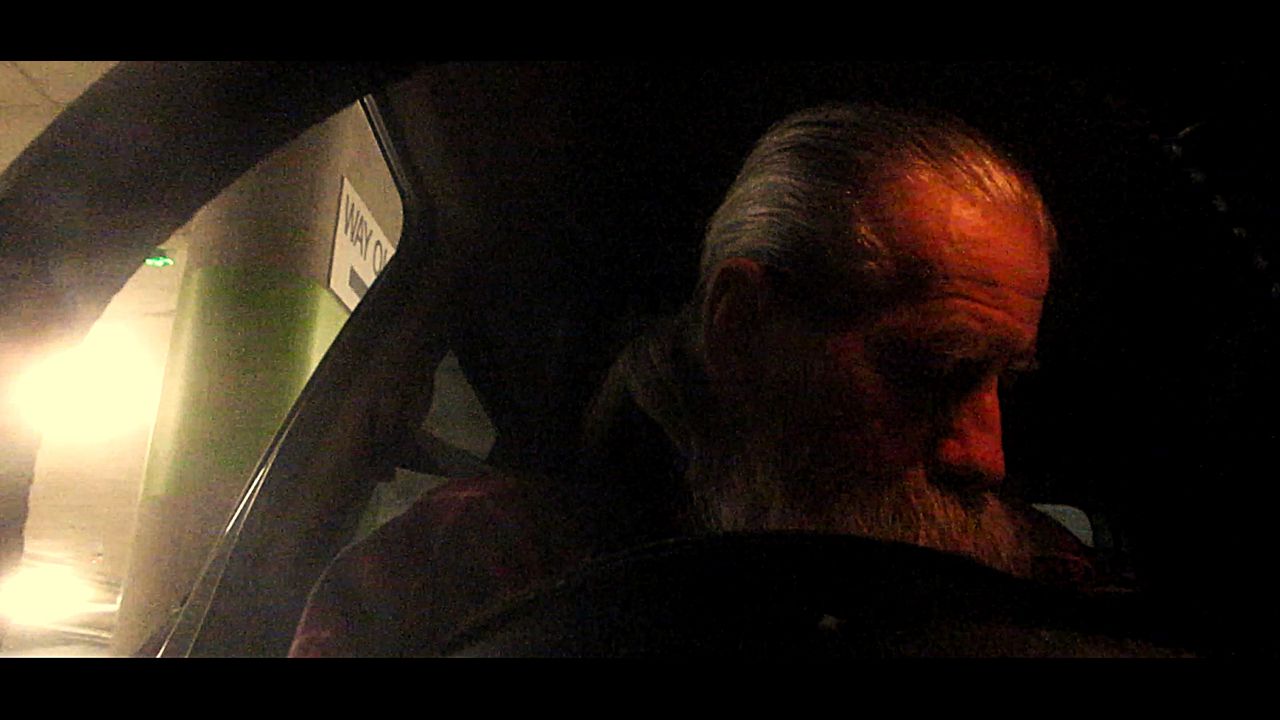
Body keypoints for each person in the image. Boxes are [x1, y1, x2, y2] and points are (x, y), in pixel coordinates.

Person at [290, 102, 1095, 657]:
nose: (987, 457)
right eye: (933, 370)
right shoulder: (466, 568)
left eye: (1002, 381)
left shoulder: (1054, 585)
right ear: (742, 328)